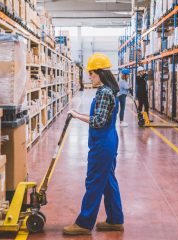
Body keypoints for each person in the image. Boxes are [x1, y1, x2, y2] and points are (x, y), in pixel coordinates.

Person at [64, 53, 124, 235]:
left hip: (102, 144)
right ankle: (115, 220)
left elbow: (98, 121)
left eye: (91, 73)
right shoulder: (108, 90)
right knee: (107, 181)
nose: (89, 77)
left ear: (100, 73)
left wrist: (76, 115)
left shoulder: (105, 92)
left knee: (94, 181)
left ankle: (84, 223)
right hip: (107, 140)